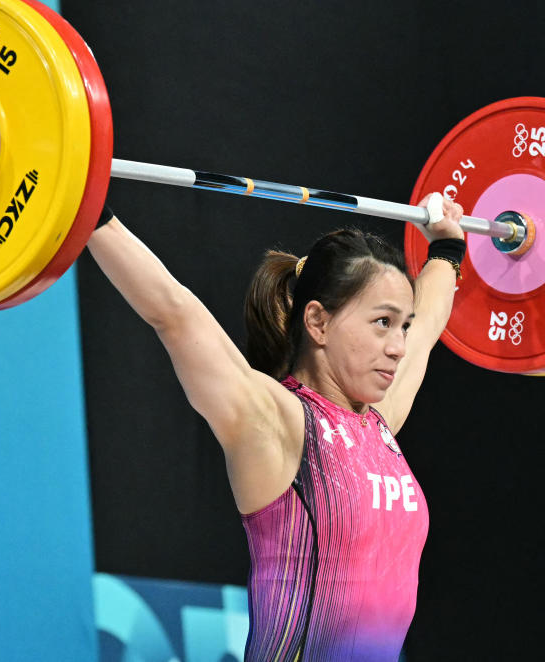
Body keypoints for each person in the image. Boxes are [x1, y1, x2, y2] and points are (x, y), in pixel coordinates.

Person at [87, 191, 465, 661]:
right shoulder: (279, 422)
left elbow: (427, 327)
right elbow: (174, 313)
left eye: (400, 326)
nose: (397, 347)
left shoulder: (379, 424)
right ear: (318, 322)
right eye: (382, 322)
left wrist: (447, 250)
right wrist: (89, 212)